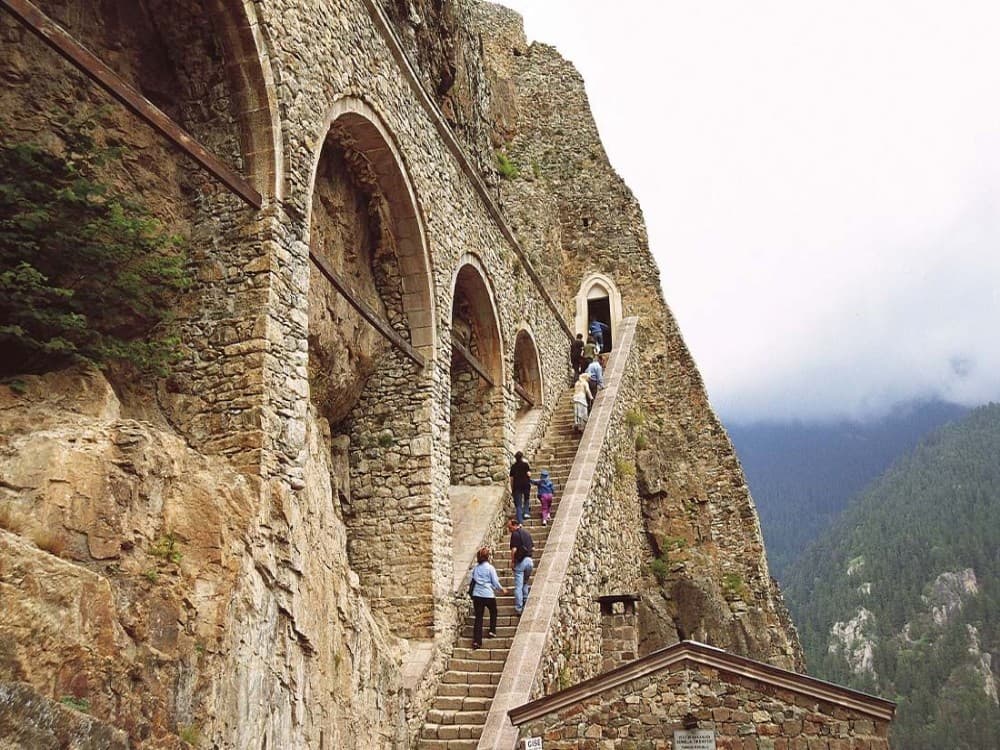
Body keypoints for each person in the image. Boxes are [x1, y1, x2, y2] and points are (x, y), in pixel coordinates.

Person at [469, 546, 506, 649]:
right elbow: (495, 582)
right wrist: (501, 589)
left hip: (477, 595)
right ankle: (492, 630)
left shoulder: (476, 568)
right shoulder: (490, 568)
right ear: (488, 557)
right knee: (493, 611)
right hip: (488, 594)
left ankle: (477, 641)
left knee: (478, 618)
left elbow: (471, 580)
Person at [508, 517, 534, 615]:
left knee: (518, 586)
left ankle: (519, 608)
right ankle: (526, 602)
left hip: (521, 562)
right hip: (529, 561)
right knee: (525, 583)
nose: (509, 530)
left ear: (515, 525)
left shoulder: (515, 534)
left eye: (510, 527)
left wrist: (513, 561)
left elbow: (514, 550)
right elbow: (533, 547)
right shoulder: (527, 533)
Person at [509, 451, 532, 522]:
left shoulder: (513, 467)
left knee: (518, 504)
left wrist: (512, 488)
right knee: (526, 499)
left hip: (517, 486)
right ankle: (526, 513)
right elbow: (529, 474)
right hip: (525, 484)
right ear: (522, 457)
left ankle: (520, 520)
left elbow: (511, 479)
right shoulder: (525, 465)